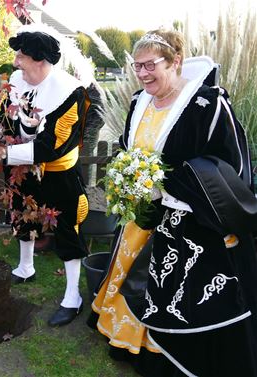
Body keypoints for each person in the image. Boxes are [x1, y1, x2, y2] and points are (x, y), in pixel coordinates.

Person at [88, 29, 257, 376]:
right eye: (137, 67)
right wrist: (129, 175)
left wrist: (171, 187)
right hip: (142, 217)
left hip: (191, 223)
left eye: (151, 65)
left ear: (176, 61)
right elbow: (126, 145)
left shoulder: (207, 104)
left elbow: (232, 166)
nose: (143, 73)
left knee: (175, 296)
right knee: (134, 282)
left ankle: (163, 351)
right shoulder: (138, 102)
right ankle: (130, 340)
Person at [0, 24, 90, 327]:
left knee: (68, 227)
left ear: (40, 61)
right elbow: (6, 114)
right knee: (23, 215)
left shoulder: (70, 92)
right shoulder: (18, 79)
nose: (15, 61)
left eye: (21, 56)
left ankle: (72, 296)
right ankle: (25, 267)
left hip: (58, 172)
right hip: (23, 168)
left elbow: (51, 146)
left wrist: (4, 154)